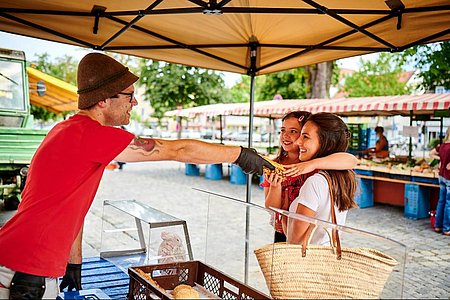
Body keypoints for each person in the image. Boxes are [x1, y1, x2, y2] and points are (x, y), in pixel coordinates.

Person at [0, 53, 274, 299]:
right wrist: (239, 154)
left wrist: (74, 262)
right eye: (129, 95)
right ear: (104, 99)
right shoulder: (89, 134)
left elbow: (72, 211)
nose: (136, 101)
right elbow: (175, 150)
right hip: (23, 269)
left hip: (24, 262)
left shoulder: (69, 131)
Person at [262, 111, 358, 242]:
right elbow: (271, 208)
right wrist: (275, 187)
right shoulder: (275, 165)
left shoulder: (317, 166)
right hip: (286, 228)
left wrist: (311, 165)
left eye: (295, 132)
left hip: (303, 234)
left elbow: (351, 160)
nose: (286, 135)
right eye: (283, 130)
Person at [429, 127, 450, 236]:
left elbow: (431, 153)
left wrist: (441, 159)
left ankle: (437, 226)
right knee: (448, 203)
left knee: (441, 201)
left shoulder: (441, 146)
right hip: (449, 177)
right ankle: (446, 228)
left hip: (441, 176)